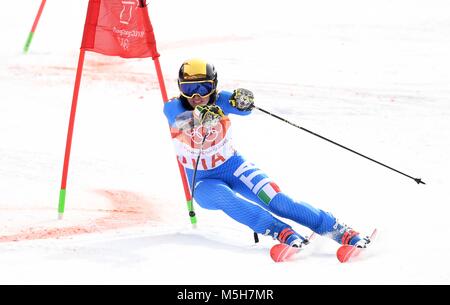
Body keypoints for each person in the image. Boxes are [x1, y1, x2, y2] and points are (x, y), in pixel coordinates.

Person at [163, 58, 370, 249]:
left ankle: (337, 229)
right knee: (224, 197)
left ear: (214, 86)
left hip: (234, 168)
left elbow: (244, 108)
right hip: (202, 182)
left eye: (202, 87)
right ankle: (281, 232)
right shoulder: (173, 107)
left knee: (279, 202)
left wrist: (242, 101)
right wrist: (200, 117)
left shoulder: (219, 100)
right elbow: (179, 121)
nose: (196, 96)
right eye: (189, 89)